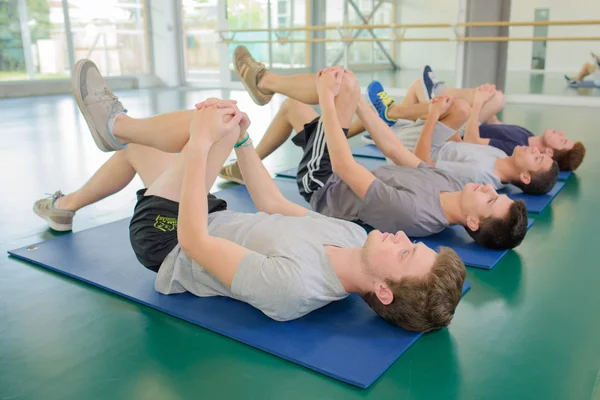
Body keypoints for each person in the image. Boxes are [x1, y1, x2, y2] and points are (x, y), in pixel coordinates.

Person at [34, 59, 466, 333]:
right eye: (414, 244)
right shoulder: (354, 239)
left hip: (168, 241)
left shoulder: (294, 288)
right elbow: (273, 205)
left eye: (407, 255)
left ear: (384, 292)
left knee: (209, 121)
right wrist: (242, 142)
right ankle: (65, 206)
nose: (402, 238)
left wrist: (202, 145)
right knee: (171, 142)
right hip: (211, 216)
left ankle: (116, 126)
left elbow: (194, 243)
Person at [226, 46, 528, 250]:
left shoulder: (415, 213)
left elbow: (345, 167)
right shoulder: (452, 184)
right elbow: (396, 150)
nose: (489, 191)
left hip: (323, 182)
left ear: (473, 223)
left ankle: (263, 81)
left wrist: (329, 99)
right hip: (340, 170)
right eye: (495, 195)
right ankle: (250, 140)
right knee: (298, 105)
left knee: (339, 86)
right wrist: (359, 103)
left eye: (489, 202)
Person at [369, 73, 586, 172]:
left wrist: (477, 105)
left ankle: (409, 106)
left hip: (461, 133)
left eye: (563, 141)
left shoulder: (515, 149)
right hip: (469, 128)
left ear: (549, 152)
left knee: (455, 103)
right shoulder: (527, 134)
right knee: (498, 97)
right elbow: (495, 124)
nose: (560, 133)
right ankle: (394, 117)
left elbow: (471, 141)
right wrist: (486, 99)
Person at [411, 84, 559, 195]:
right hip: (434, 141)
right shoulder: (501, 156)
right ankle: (397, 112)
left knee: (460, 108)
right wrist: (449, 123)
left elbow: (420, 165)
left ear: (525, 177)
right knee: (452, 105)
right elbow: (461, 147)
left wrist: (434, 115)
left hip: (414, 149)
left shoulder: (478, 173)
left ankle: (401, 110)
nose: (534, 150)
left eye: (537, 158)